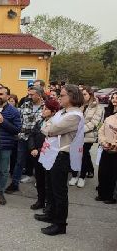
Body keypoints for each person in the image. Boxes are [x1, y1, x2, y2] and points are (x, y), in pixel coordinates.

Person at [35, 84, 84, 236]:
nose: (59, 98)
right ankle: (51, 213)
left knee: (59, 191)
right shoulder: (63, 112)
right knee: (50, 186)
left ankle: (60, 224)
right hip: (53, 153)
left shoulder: (74, 115)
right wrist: (49, 125)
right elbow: (46, 125)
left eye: (62, 95)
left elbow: (50, 129)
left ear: (72, 97)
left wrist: (49, 126)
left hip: (62, 156)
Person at [6, 86, 45, 194]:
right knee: (19, 161)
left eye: (32, 94)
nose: (29, 96)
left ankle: (41, 184)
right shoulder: (26, 104)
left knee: (39, 163)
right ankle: (14, 183)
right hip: (23, 137)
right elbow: (20, 119)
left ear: (39, 95)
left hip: (37, 139)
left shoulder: (45, 107)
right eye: (29, 94)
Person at [28, 99, 61, 210]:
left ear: (53, 111)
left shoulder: (56, 124)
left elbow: (51, 141)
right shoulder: (40, 121)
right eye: (43, 108)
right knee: (40, 179)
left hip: (48, 155)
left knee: (48, 182)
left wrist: (38, 149)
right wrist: (32, 148)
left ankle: (49, 204)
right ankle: (40, 200)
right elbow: (32, 134)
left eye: (46, 109)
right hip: (36, 155)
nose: (43, 110)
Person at [68, 86, 104, 187]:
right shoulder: (79, 105)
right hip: (75, 135)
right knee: (74, 155)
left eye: (85, 94)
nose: (83, 96)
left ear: (90, 94)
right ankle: (74, 175)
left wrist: (80, 130)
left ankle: (82, 177)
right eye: (81, 94)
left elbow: (94, 123)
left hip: (87, 135)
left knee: (83, 156)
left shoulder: (97, 107)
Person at [95, 92, 117, 204]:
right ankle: (102, 194)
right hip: (106, 148)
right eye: (113, 98)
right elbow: (101, 130)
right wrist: (104, 142)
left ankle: (111, 196)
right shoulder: (108, 114)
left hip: (115, 150)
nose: (114, 100)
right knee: (103, 172)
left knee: (113, 175)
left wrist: (114, 144)